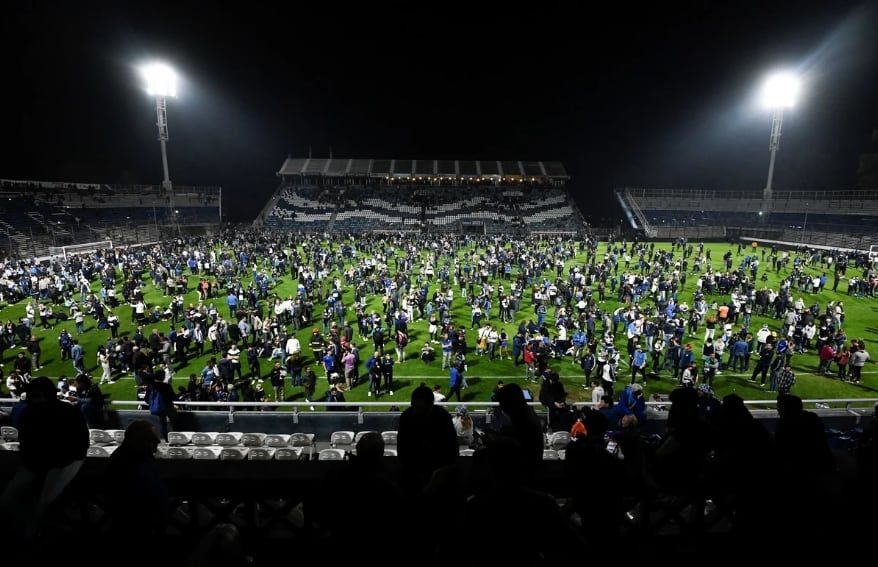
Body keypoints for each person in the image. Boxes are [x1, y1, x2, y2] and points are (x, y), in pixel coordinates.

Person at [0, 377, 89, 540]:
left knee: (43, 504)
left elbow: (79, 444)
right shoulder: (32, 413)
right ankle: (31, 527)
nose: (32, 398)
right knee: (9, 499)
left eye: (35, 395)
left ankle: (35, 532)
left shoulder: (64, 412)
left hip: (60, 464)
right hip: (39, 463)